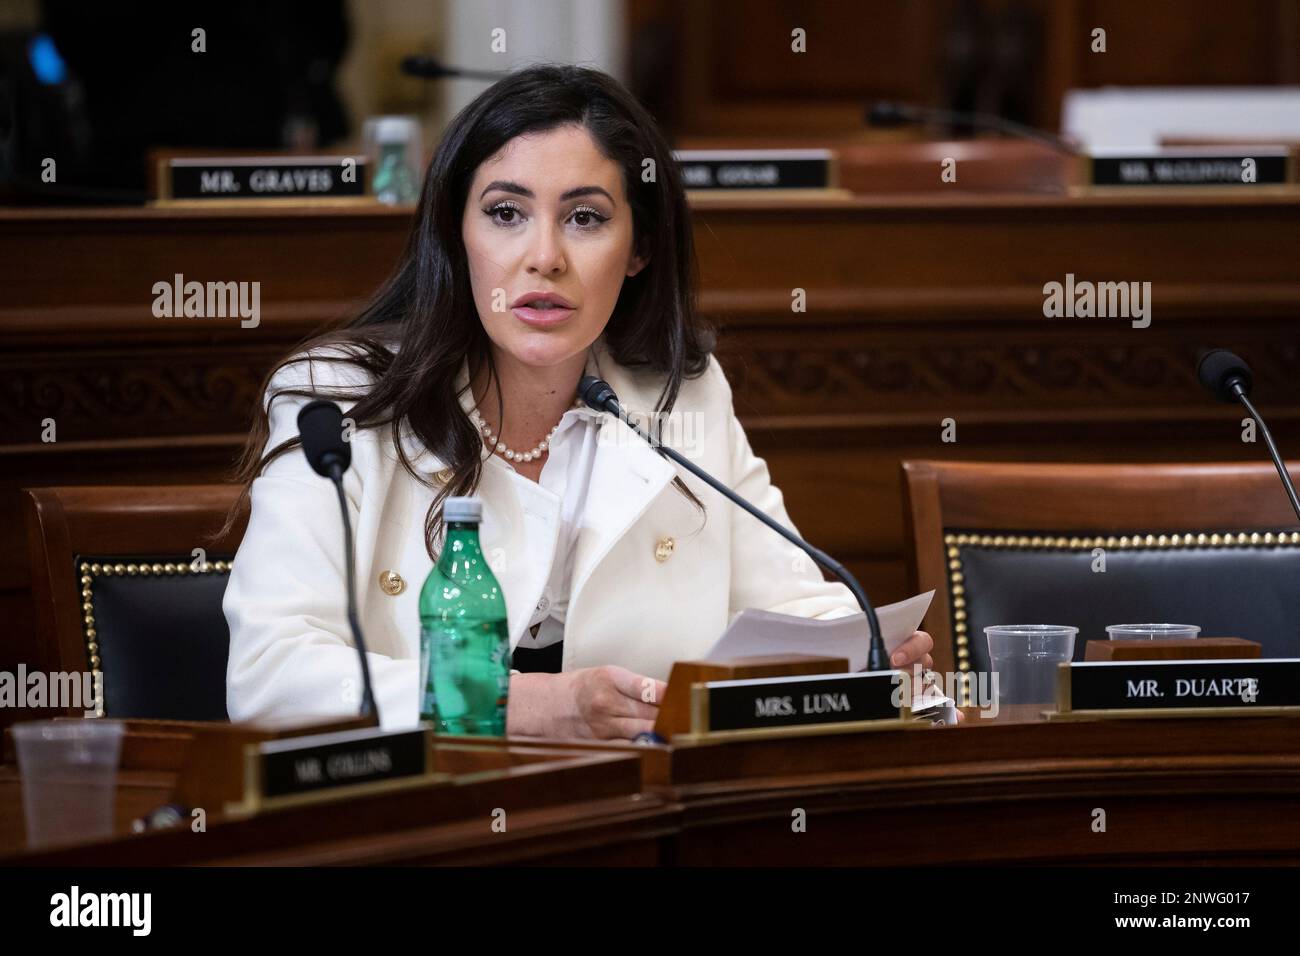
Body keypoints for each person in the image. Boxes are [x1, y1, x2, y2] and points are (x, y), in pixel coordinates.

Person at [221, 64, 935, 739]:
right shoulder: (337, 399)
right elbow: (271, 675)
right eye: (505, 213)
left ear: (640, 247)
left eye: (586, 219)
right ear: (453, 231)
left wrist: (870, 654)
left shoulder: (680, 393)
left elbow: (796, 608)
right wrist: (525, 706)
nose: (545, 257)